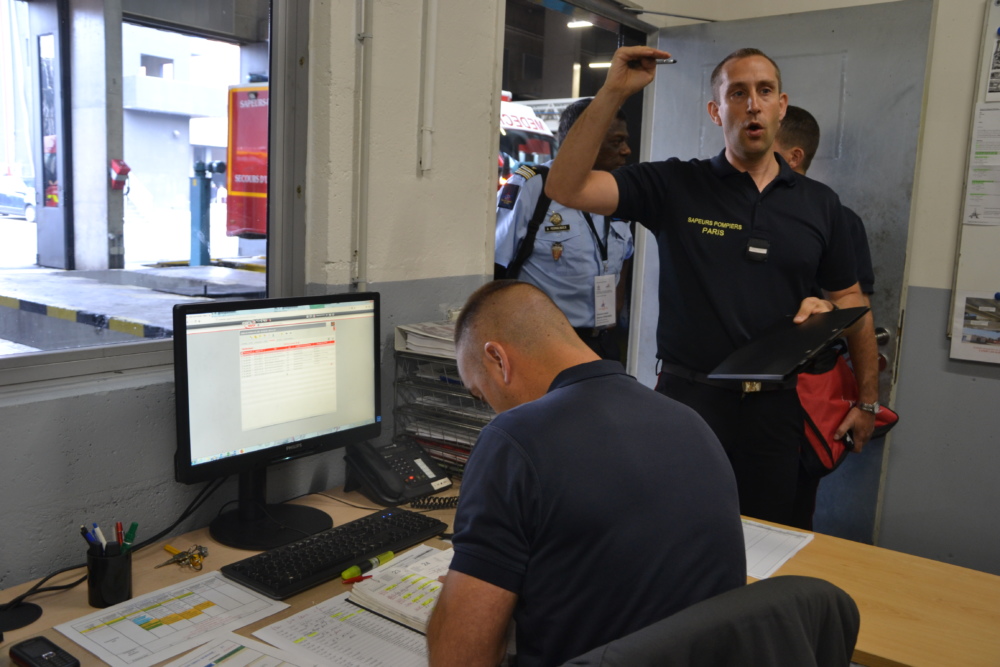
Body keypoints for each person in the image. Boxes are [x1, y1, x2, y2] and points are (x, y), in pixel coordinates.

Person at [545, 46, 880, 529]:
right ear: (716, 110)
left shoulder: (821, 205)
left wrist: (866, 401)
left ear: (781, 106)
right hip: (690, 402)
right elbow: (565, 187)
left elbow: (853, 301)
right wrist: (614, 90)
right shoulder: (675, 184)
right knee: (677, 531)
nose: (752, 104)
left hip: (777, 408)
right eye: (737, 93)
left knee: (769, 542)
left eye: (764, 91)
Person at [426, 280, 746, 667]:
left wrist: (461, 603)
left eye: (480, 394)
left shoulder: (514, 439)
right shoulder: (688, 420)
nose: (491, 410)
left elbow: (460, 658)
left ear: (498, 359)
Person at [773, 105, 878, 529]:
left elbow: (858, 312)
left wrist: (867, 402)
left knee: (786, 521)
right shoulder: (731, 209)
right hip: (725, 395)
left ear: (794, 157)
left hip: (800, 398)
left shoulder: (833, 216)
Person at [495, 98, 633, 360]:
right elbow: (496, 265)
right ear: (582, 139)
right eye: (616, 142)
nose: (626, 150)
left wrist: (612, 310)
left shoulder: (617, 191)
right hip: (543, 345)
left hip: (601, 344)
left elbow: (625, 255)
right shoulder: (532, 187)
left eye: (625, 140)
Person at [772, 105, 876, 301]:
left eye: (767, 146)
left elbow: (856, 305)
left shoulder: (841, 218)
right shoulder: (750, 210)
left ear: (794, 157)